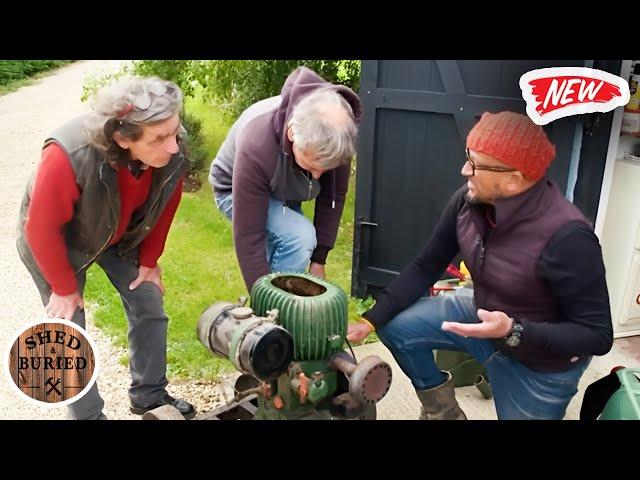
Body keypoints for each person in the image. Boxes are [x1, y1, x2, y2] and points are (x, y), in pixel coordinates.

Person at [347, 111, 613, 420]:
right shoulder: (468, 202)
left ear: (514, 179)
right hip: (483, 317)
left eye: (475, 164)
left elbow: (597, 335)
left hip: (540, 365)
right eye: (467, 157)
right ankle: (442, 412)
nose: (464, 170)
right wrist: (370, 320)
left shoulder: (568, 237)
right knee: (395, 325)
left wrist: (514, 331)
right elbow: (426, 265)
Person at [17, 76, 196, 420]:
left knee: (148, 299)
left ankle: (149, 396)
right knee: (69, 327)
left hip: (116, 231)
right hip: (57, 240)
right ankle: (87, 416)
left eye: (175, 132)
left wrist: (149, 262)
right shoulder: (67, 155)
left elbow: (165, 206)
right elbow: (40, 228)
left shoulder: (172, 147)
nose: (174, 146)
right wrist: (64, 288)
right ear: (121, 137)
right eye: (160, 138)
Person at [209, 66, 361, 291]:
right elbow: (249, 237)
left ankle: (280, 311)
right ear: (291, 134)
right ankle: (276, 313)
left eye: (324, 169)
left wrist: (318, 260)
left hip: (284, 191)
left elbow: (333, 197)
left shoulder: (336, 137)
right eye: (311, 166)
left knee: (294, 251)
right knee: (299, 238)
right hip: (232, 190)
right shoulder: (257, 144)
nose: (317, 176)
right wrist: (261, 296)